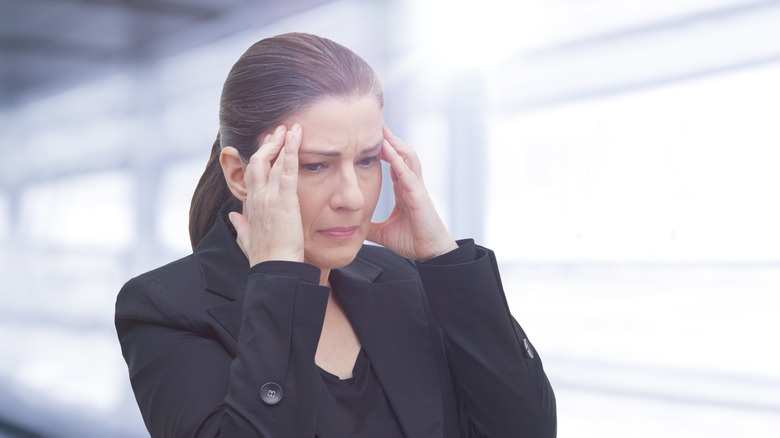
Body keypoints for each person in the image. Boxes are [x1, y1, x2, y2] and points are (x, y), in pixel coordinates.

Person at [115, 32, 556, 438]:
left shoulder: (405, 280)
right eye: (315, 165)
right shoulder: (164, 307)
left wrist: (444, 260)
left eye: (366, 161)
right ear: (239, 174)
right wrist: (281, 279)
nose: (354, 198)